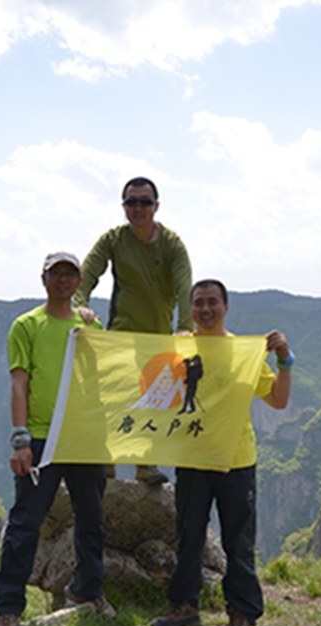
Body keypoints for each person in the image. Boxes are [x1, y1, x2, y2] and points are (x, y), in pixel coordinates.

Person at [150, 279, 293, 626]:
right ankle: (184, 606)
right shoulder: (179, 349)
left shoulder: (243, 352)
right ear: (192, 309)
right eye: (198, 303)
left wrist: (284, 360)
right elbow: (151, 387)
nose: (205, 309)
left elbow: (278, 400)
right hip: (193, 457)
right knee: (189, 535)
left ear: (226, 307)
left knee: (238, 541)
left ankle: (241, 614)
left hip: (236, 460)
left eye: (212, 302)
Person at [0, 252, 115, 626]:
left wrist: (94, 330)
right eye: (56, 274)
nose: (63, 280)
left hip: (82, 435)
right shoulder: (26, 325)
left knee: (92, 518)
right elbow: (18, 384)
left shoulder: (87, 325)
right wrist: (20, 439)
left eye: (70, 274)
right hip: (41, 437)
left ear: (79, 281)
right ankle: (9, 609)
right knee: (25, 521)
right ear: (44, 279)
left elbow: (108, 373)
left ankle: (88, 590)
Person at [74, 176, 194, 485]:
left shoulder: (172, 244)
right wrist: (81, 305)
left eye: (145, 202)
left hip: (159, 337)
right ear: (124, 206)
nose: (138, 208)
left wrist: (185, 328)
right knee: (114, 398)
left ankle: (146, 466)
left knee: (155, 401)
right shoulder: (113, 239)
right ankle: (107, 465)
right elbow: (86, 275)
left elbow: (184, 285)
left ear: (156, 206)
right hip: (121, 333)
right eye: (132, 202)